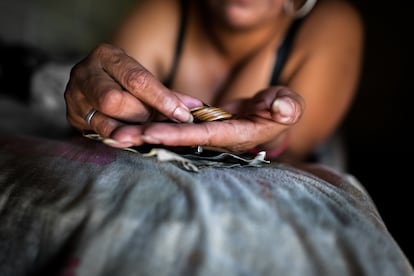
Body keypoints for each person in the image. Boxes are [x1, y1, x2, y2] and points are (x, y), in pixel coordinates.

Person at [64, 0, 364, 164]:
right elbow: (106, 109)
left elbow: (295, 148)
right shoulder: (166, 12)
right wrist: (89, 112)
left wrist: (271, 133)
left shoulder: (331, 23)